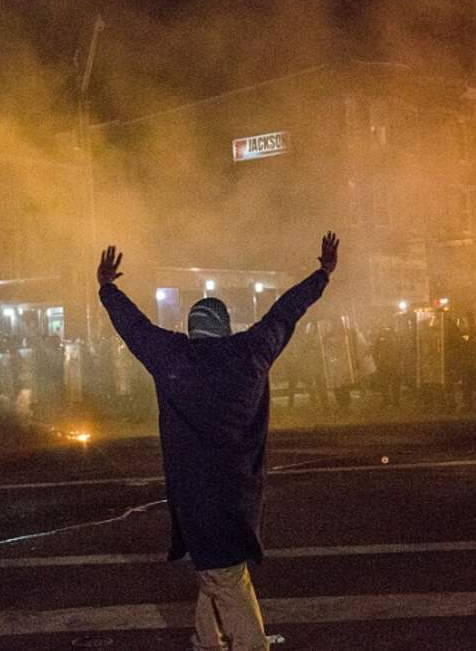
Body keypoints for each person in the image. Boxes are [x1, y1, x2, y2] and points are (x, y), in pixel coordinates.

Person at [97, 232, 338, 651]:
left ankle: (231, 643)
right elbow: (286, 312)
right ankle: (223, 641)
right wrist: (323, 273)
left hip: (193, 490)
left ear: (192, 328)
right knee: (221, 569)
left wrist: (107, 288)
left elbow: (133, 327)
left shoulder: (172, 356)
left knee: (222, 572)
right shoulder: (250, 353)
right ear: (225, 326)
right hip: (240, 487)